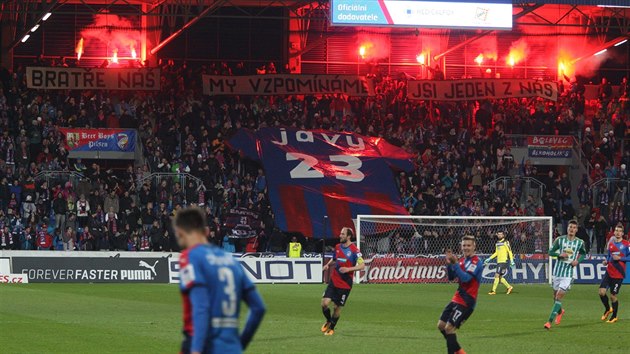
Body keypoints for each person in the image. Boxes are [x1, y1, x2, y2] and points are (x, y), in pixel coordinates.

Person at [175, 207, 266, 354]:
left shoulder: (190, 257)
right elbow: (258, 309)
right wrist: (241, 344)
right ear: (205, 232)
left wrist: (196, 349)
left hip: (202, 343)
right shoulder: (230, 260)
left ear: (180, 232)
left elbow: (201, 307)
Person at [438, 235, 483, 354]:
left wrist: (455, 264)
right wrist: (449, 264)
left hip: (468, 301)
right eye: (464, 245)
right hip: (457, 297)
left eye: (468, 245)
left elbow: (466, 278)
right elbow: (451, 277)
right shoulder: (462, 260)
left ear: (474, 246)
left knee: (449, 328)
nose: (466, 248)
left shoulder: (477, 262)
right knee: (441, 325)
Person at [320, 227, 364, 336]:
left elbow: (362, 265)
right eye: (340, 233)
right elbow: (334, 258)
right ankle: (329, 321)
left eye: (343, 234)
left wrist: (348, 269)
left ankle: (332, 328)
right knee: (324, 303)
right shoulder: (337, 247)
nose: (340, 235)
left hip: (345, 284)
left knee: (336, 307)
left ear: (348, 236)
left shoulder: (355, 250)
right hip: (334, 280)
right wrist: (327, 265)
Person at [544, 220, 587, 329]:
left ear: (576, 230)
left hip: (568, 274)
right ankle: (560, 311)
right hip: (557, 272)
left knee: (558, 296)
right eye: (570, 227)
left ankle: (549, 322)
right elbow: (550, 252)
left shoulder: (580, 242)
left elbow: (583, 253)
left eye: (574, 227)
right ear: (567, 228)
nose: (572, 229)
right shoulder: (560, 240)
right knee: (555, 297)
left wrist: (577, 261)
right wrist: (559, 255)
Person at [598, 224, 630, 323]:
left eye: (619, 231)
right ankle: (608, 309)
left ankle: (614, 316)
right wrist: (606, 261)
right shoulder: (611, 243)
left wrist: (620, 258)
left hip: (618, 274)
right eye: (616, 230)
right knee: (601, 292)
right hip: (609, 271)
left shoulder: (626, 244)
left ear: (622, 233)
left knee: (612, 296)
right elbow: (609, 255)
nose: (617, 232)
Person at [484, 231, 515, 295]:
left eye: (501, 234)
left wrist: (512, 261)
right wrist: (489, 259)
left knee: (496, 275)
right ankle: (509, 287)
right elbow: (496, 253)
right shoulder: (497, 243)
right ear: (497, 235)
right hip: (499, 261)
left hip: (503, 261)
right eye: (498, 234)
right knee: (500, 277)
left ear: (503, 235)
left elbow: (509, 251)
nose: (500, 235)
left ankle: (493, 291)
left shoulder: (506, 242)